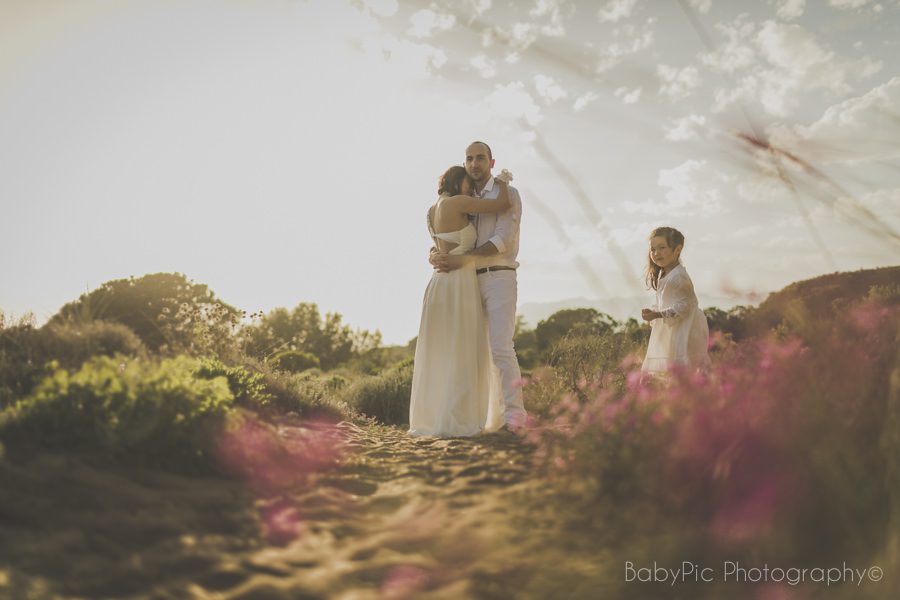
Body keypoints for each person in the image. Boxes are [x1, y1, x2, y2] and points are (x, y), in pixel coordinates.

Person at [408, 165, 512, 436]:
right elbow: (502, 203)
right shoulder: (458, 202)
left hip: (437, 285)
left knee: (440, 352)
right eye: (468, 184)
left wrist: (433, 254)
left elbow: (437, 245)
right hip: (458, 283)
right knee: (463, 350)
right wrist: (503, 179)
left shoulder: (430, 212)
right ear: (458, 183)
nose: (471, 189)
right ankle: (459, 418)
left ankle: (433, 417)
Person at [430, 141, 527, 431]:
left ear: (492, 162)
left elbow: (503, 240)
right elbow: (447, 235)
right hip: (467, 282)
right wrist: (435, 253)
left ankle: (514, 417)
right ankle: (487, 417)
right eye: (469, 159)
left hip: (499, 276)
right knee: (475, 352)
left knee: (500, 348)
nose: (474, 164)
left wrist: (465, 260)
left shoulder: (508, 194)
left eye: (480, 158)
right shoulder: (466, 196)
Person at [640, 226, 710, 375]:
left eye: (662, 248)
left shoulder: (679, 277)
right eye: (653, 249)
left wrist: (657, 315)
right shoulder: (666, 274)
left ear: (677, 249)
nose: (656, 253)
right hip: (672, 329)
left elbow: (684, 306)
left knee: (681, 369)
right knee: (668, 371)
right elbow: (668, 302)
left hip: (684, 330)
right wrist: (654, 312)